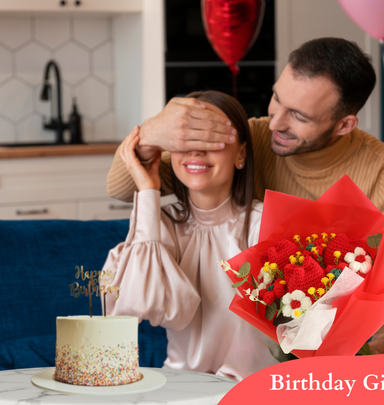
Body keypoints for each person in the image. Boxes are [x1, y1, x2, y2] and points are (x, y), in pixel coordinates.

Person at [107, 38, 384, 355]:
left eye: (299, 116)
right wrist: (149, 135)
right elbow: (121, 187)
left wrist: (371, 354)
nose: (276, 121)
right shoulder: (252, 138)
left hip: (348, 350)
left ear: (343, 125)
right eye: (277, 99)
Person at [102, 90, 281, 381]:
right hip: (180, 387)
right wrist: (147, 192)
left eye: (212, 139)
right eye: (186, 140)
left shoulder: (267, 225)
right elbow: (141, 303)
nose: (196, 151)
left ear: (241, 154)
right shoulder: (162, 223)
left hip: (247, 388)